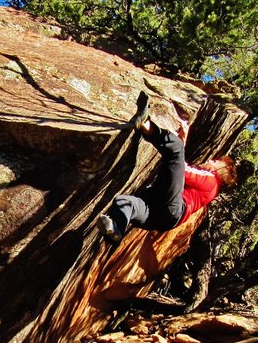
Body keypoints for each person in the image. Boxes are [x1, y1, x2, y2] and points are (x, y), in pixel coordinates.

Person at [97, 91, 243, 243]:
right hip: (164, 219)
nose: (212, 160)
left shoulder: (212, 181)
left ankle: (145, 123)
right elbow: (178, 171)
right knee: (126, 203)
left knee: (176, 149)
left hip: (175, 208)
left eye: (217, 161)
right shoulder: (211, 190)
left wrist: (182, 142)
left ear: (223, 170)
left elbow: (181, 169)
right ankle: (115, 230)